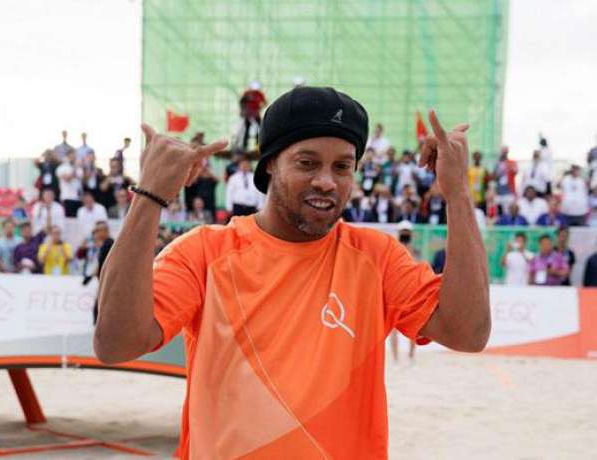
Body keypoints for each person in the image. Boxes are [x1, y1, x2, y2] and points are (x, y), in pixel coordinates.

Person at [95, 87, 490, 458]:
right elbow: (115, 344)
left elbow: (468, 333)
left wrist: (457, 194)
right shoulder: (206, 253)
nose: (326, 181)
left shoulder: (377, 258)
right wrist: (149, 197)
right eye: (307, 162)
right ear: (270, 163)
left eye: (342, 167)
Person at [389, 219, 421, 365]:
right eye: (403, 232)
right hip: (395, 291)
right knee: (394, 328)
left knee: (414, 325)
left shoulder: (415, 251)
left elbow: (419, 268)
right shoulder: (392, 250)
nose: (405, 235)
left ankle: (411, 355)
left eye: (407, 233)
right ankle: (395, 358)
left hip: (411, 291)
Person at [55, 149, 84, 217]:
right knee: (69, 219)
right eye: (72, 155)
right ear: (67, 156)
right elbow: (67, 179)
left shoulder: (79, 168)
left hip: (78, 198)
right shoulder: (62, 168)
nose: (74, 157)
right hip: (67, 197)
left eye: (75, 155)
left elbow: (81, 179)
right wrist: (75, 168)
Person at [492, 146, 518, 210]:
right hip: (499, 192)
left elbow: (515, 171)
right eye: (503, 152)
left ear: (507, 152)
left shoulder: (512, 162)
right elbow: (494, 176)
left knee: (508, 210)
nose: (504, 153)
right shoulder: (497, 163)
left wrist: (507, 166)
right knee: (498, 211)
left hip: (509, 192)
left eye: (505, 152)